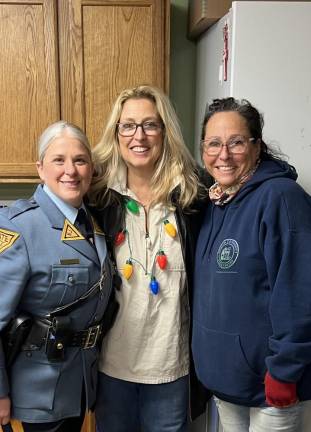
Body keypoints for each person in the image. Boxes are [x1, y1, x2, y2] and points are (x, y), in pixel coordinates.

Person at [88, 85, 211, 432]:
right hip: (111, 367)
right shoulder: (97, 197)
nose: (138, 136)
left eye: (149, 125)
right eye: (128, 126)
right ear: (116, 133)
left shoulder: (194, 195)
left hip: (171, 368)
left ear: (165, 131)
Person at [192, 97, 311, 432]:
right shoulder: (214, 202)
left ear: (257, 146)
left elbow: (300, 292)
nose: (223, 154)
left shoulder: (282, 198)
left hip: (271, 389)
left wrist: (285, 371)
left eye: (237, 142)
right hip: (227, 383)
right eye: (213, 143)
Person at [0, 121, 115, 432]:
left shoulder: (93, 222)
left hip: (80, 385)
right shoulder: (19, 228)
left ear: (91, 168)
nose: (71, 171)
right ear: (40, 168)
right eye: (58, 160)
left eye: (80, 160)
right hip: (35, 391)